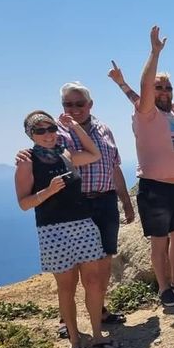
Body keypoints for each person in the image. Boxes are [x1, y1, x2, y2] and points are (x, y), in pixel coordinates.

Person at [118, 26, 174, 307]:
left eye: (167, 87)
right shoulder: (146, 113)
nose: (164, 91)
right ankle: (164, 289)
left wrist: (120, 84)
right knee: (159, 242)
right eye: (159, 87)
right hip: (156, 188)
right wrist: (154, 53)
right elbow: (141, 90)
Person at [15, 111, 107, 348]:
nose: (47, 135)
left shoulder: (66, 153)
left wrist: (76, 127)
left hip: (83, 224)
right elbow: (24, 203)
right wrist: (48, 191)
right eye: (40, 131)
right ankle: (75, 342)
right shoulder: (27, 161)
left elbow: (95, 154)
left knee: (94, 283)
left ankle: (98, 336)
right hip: (53, 231)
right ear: (30, 134)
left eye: (51, 128)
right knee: (66, 288)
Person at [56, 81, 134, 334]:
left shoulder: (104, 130)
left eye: (80, 103)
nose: (75, 108)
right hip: (76, 203)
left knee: (104, 260)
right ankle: (68, 321)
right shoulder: (58, 133)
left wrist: (125, 200)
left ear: (90, 104)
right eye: (69, 104)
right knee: (77, 265)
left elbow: (114, 166)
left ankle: (99, 310)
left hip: (106, 199)